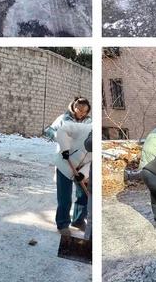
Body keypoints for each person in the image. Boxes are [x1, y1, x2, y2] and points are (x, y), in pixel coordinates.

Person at [45, 98, 92, 235]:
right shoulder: (63, 119)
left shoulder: (90, 123)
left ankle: (78, 220)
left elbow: (91, 154)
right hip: (65, 161)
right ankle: (63, 224)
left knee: (83, 194)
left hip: (81, 163)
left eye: (85, 111)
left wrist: (84, 172)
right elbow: (49, 131)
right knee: (64, 196)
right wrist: (61, 141)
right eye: (79, 110)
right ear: (74, 107)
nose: (82, 113)